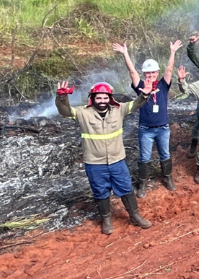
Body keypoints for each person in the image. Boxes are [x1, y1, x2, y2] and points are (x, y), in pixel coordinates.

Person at [55, 81, 153, 235]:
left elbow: (135, 104)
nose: (102, 101)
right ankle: (107, 221)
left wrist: (145, 94)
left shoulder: (118, 110)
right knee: (100, 192)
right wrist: (62, 97)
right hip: (94, 163)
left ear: (110, 98)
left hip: (117, 160)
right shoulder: (83, 113)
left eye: (105, 98)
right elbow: (65, 112)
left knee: (126, 188)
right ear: (92, 98)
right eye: (99, 98)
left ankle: (134, 216)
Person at [112, 40, 182, 197]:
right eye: (147, 73)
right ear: (144, 74)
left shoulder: (163, 86)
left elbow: (170, 70)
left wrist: (172, 52)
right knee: (144, 157)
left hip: (163, 128)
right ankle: (143, 183)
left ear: (157, 73)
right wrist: (125, 54)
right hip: (145, 129)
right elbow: (132, 73)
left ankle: (168, 179)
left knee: (165, 154)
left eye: (153, 73)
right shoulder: (141, 87)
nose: (150, 75)